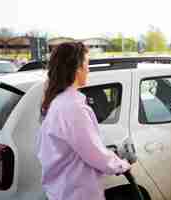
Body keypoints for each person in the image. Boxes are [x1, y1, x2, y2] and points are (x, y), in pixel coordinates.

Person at [37, 42, 131, 200]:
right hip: (77, 193)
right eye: (87, 64)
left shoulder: (57, 102)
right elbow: (94, 153)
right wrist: (121, 165)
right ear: (76, 68)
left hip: (63, 191)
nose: (89, 69)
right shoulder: (73, 108)